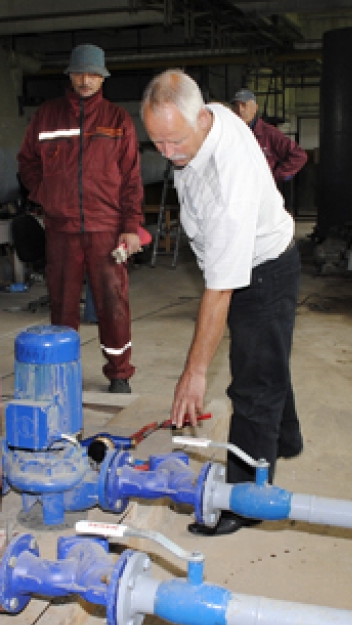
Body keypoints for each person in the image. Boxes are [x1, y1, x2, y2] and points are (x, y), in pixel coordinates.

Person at [141, 70, 303, 536]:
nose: (168, 154)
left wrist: (194, 374)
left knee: (252, 384)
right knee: (268, 360)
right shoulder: (207, 116)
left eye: (175, 141)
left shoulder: (228, 182)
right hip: (239, 258)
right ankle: (284, 439)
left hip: (265, 267)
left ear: (201, 120)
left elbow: (220, 289)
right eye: (158, 142)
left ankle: (245, 500)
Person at [17, 44, 143, 393]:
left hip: (106, 227)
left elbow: (131, 177)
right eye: (79, 74)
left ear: (102, 78)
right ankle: (61, 373)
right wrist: (45, 195)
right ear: (69, 75)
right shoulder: (47, 116)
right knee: (62, 304)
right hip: (61, 228)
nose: (85, 81)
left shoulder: (118, 121)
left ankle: (119, 372)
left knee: (113, 302)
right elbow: (27, 162)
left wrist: (130, 227)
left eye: (92, 75)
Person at [229, 88, 307, 209]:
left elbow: (299, 155)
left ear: (255, 108)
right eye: (236, 106)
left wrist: (276, 176)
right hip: (239, 194)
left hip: (262, 196)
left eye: (244, 105)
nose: (240, 110)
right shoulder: (231, 134)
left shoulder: (269, 133)